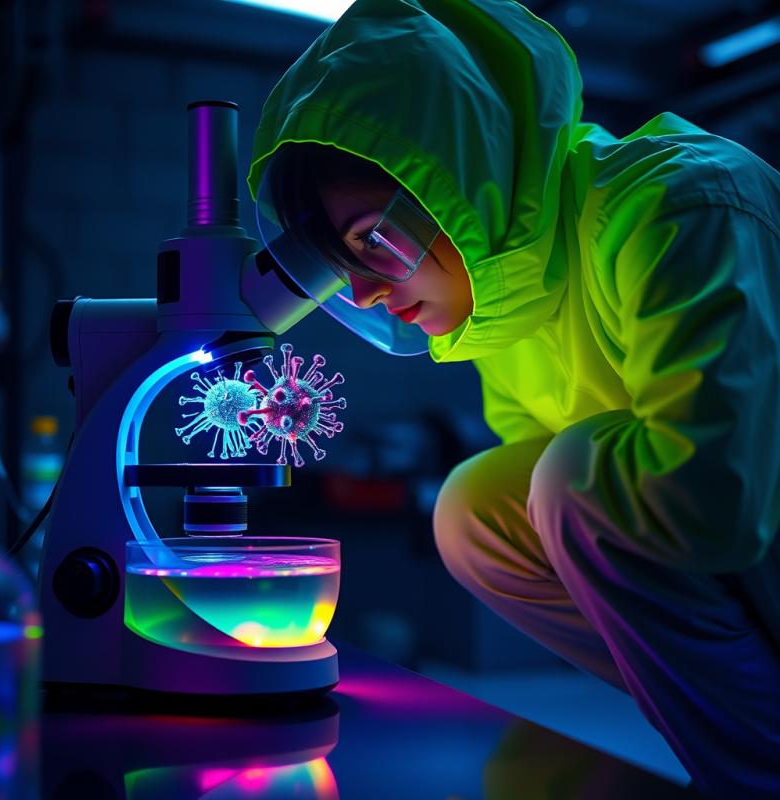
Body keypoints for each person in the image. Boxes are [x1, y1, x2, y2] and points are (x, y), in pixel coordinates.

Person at [246, 1, 780, 796]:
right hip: (741, 580)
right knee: (476, 512)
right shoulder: (509, 305)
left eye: (372, 240)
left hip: (752, 536)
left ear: (469, 175)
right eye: (340, 260)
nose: (359, 292)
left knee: (574, 483)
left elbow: (716, 502)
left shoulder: (679, 206)